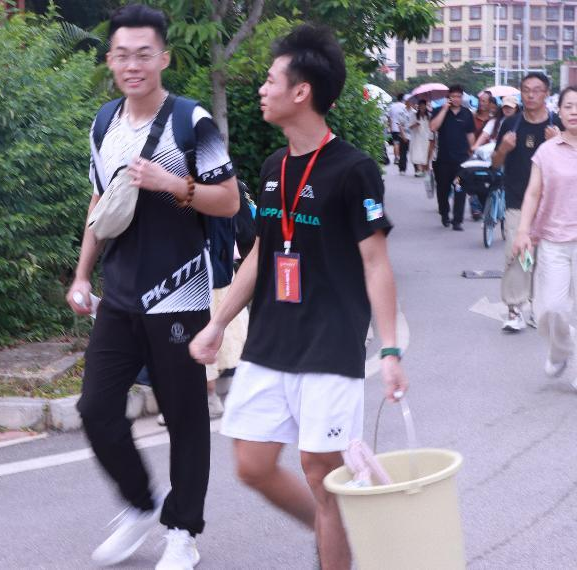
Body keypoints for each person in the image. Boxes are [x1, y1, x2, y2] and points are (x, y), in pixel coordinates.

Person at [189, 24, 408, 570]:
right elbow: (261, 254)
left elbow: (376, 262)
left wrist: (389, 350)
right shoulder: (273, 167)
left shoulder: (354, 170)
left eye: (270, 80)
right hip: (271, 340)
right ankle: (334, 528)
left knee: (321, 473)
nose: (262, 89)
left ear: (302, 91)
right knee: (252, 464)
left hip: (330, 343)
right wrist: (218, 322)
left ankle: (335, 538)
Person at [65, 5, 239, 568]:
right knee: (95, 408)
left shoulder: (193, 121)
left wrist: (173, 184)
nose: (132, 65)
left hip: (179, 293)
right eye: (122, 55)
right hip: (118, 295)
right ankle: (142, 504)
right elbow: (100, 202)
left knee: (185, 418)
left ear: (164, 58)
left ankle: (183, 531)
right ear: (110, 60)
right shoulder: (104, 122)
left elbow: (229, 201)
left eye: (144, 54)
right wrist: (82, 274)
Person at [511, 86, 577, 387]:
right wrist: (523, 231)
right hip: (553, 241)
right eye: (568, 106)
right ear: (559, 112)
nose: (574, 111)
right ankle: (560, 351)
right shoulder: (546, 152)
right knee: (551, 309)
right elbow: (533, 193)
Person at [492, 72, 564, 333]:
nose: (531, 95)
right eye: (526, 90)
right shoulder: (511, 124)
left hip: (553, 205)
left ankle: (538, 307)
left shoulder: (559, 125)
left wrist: (558, 143)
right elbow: (495, 163)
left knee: (546, 259)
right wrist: (504, 149)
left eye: (537, 90)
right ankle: (514, 309)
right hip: (517, 200)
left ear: (546, 93)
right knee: (518, 254)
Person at [430, 84, 475, 230]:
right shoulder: (439, 110)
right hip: (443, 160)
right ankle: (444, 214)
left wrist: (473, 152)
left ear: (462, 98)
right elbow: (433, 127)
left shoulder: (467, 113)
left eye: (458, 96)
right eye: (453, 96)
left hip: (461, 161)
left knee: (459, 189)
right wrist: (444, 109)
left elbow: (470, 134)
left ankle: (457, 221)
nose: (456, 99)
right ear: (448, 97)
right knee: (442, 190)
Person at [409, 99, 433, 177]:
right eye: (421, 106)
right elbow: (410, 127)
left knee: (425, 153)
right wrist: (415, 125)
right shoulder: (414, 115)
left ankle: (424, 170)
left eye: (423, 106)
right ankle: (419, 170)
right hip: (417, 137)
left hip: (427, 137)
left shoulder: (429, 116)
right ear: (418, 107)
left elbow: (432, 127)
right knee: (417, 153)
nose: (422, 107)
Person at [388, 93, 406, 165]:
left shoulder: (392, 106)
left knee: (395, 143)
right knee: (402, 144)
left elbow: (389, 118)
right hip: (403, 129)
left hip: (394, 128)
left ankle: (396, 158)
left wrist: (390, 127)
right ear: (403, 99)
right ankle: (401, 158)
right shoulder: (404, 106)